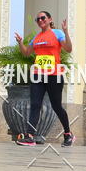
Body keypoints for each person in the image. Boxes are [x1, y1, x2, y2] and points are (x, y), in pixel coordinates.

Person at [14, 11, 75, 147]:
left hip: (54, 75)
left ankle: (68, 134)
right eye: (38, 19)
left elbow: (69, 49)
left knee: (56, 106)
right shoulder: (36, 37)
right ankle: (30, 136)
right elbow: (26, 53)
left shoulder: (57, 33)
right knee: (35, 104)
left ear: (49, 19)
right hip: (38, 75)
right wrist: (20, 43)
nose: (40, 20)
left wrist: (66, 32)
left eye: (43, 18)